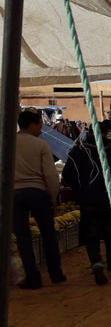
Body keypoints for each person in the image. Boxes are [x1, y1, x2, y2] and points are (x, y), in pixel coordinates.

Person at [61, 121, 111, 285]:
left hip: (88, 200)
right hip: (110, 199)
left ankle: (96, 262)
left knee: (91, 235)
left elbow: (67, 175)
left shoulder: (78, 151)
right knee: (110, 234)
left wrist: (80, 189)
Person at [13, 110, 65, 289]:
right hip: (37, 192)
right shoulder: (41, 145)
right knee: (48, 234)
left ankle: (33, 278)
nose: (41, 130)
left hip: (14, 194)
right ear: (32, 125)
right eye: (39, 126)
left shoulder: (6, 143)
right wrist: (53, 197)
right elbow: (50, 175)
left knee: (23, 238)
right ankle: (56, 274)